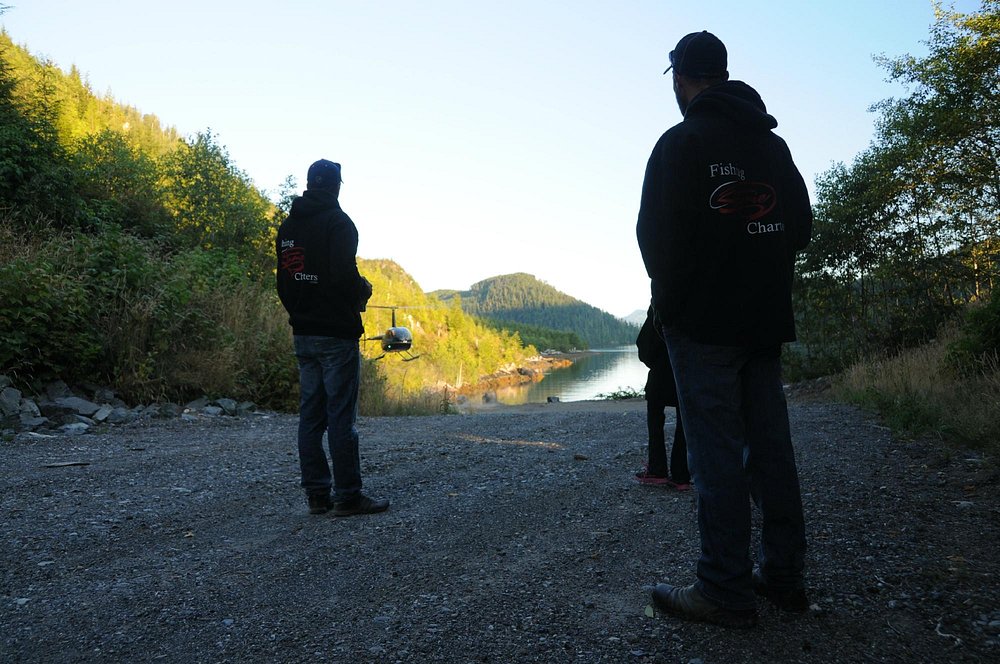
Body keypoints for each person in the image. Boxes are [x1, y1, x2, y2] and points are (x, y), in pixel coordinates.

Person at [636, 31, 813, 627]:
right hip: (763, 321)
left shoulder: (680, 143)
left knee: (715, 459)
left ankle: (724, 591)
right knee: (770, 450)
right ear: (725, 73)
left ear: (683, 80)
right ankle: (784, 576)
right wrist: (758, 267)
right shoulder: (772, 145)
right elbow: (801, 227)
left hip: (703, 328)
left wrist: (675, 306)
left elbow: (655, 242)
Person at [276, 159, 389, 517]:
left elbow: (284, 282)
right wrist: (363, 291)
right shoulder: (339, 223)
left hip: (304, 334)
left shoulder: (289, 226)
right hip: (336, 335)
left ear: (310, 184)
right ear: (337, 186)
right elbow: (343, 275)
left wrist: (298, 313)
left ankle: (317, 496)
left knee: (310, 417)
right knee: (341, 417)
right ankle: (349, 496)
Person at [634, 306, 690, 490]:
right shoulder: (693, 303)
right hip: (686, 373)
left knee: (655, 417)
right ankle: (681, 474)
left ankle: (657, 469)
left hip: (661, 374)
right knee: (685, 421)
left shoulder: (659, 306)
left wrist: (656, 363)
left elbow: (644, 346)